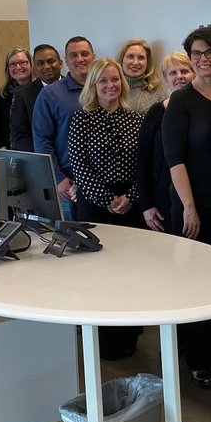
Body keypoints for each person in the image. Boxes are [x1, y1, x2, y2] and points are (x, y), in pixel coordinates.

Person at [161, 26, 211, 388]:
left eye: (209, 52)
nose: (203, 59)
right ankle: (200, 360)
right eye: (196, 53)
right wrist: (189, 207)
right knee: (197, 283)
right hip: (194, 206)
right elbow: (174, 158)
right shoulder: (181, 101)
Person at [68, 57, 145, 359]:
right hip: (95, 206)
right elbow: (79, 165)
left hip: (130, 206)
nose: (110, 85)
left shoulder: (135, 119)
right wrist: (106, 199)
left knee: (129, 274)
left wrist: (131, 197)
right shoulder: (81, 119)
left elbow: (144, 164)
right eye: (103, 81)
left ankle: (128, 337)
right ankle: (103, 342)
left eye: (115, 79)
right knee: (100, 277)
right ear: (93, 85)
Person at [32, 36, 93, 220]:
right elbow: (42, 140)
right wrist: (57, 178)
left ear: (93, 56)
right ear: (65, 61)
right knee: (69, 236)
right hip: (67, 183)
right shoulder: (50, 94)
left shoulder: (105, 89)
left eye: (84, 53)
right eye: (73, 55)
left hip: (102, 184)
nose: (80, 59)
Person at [136, 52, 193, 234]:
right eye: (173, 73)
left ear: (194, 73)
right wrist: (147, 205)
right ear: (166, 79)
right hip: (162, 203)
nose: (179, 77)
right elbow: (143, 161)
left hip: (201, 197)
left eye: (185, 71)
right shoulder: (156, 112)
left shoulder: (205, 110)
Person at [10, 44, 62, 153]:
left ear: (60, 63)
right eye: (40, 63)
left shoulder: (75, 89)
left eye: (51, 61)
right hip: (40, 157)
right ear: (34, 68)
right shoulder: (23, 95)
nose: (46, 66)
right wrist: (44, 155)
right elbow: (20, 136)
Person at [0, 47, 32, 150]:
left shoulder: (40, 91)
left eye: (23, 62)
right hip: (8, 153)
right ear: (8, 69)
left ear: (31, 65)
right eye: (13, 64)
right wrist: (2, 148)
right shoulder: (3, 94)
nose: (18, 67)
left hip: (35, 152)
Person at [117, 39, 165, 114]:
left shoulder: (157, 94)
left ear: (147, 62)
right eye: (130, 57)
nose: (135, 62)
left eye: (141, 58)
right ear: (121, 59)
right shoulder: (110, 89)